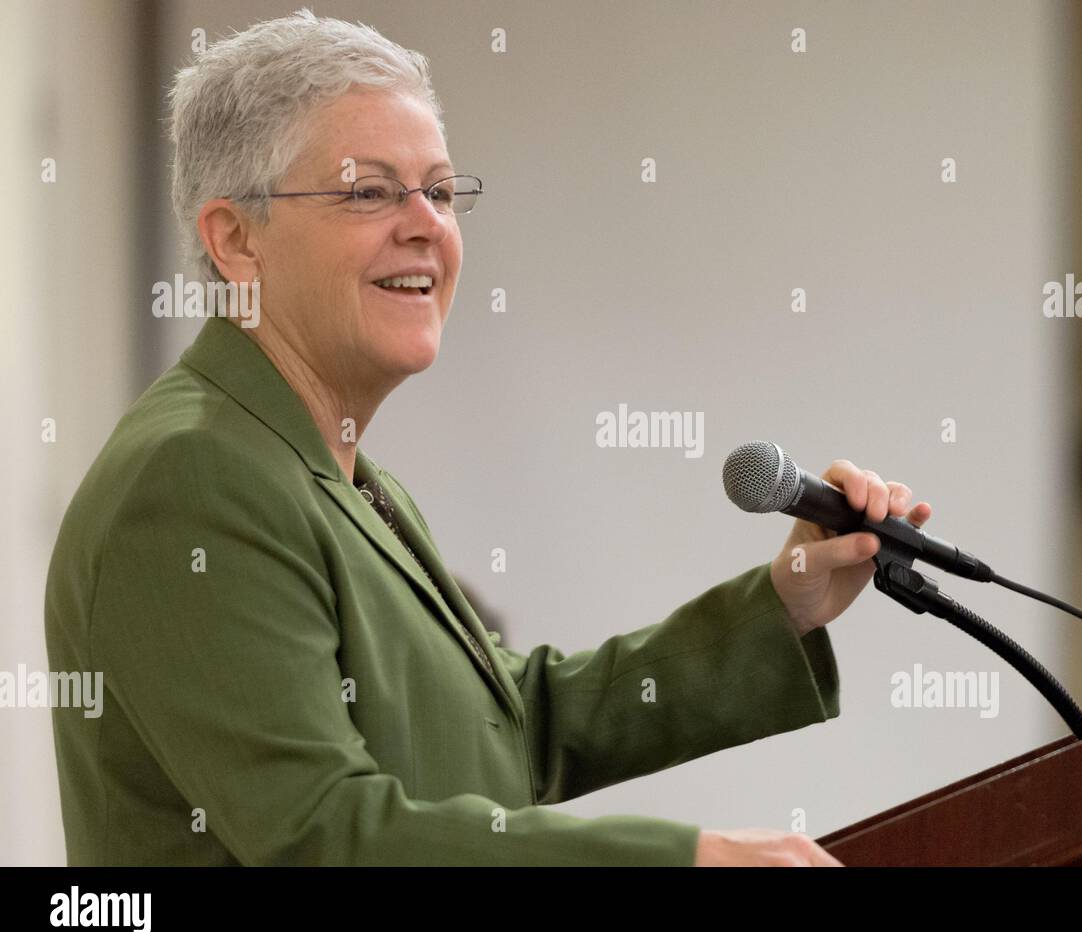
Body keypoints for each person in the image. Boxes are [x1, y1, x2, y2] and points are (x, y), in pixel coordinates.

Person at [43, 9, 931, 866]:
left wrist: (785, 604)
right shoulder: (194, 478)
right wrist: (674, 863)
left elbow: (518, 722)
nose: (426, 222)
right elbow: (322, 836)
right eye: (369, 191)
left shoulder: (338, 475)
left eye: (438, 190)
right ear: (236, 240)